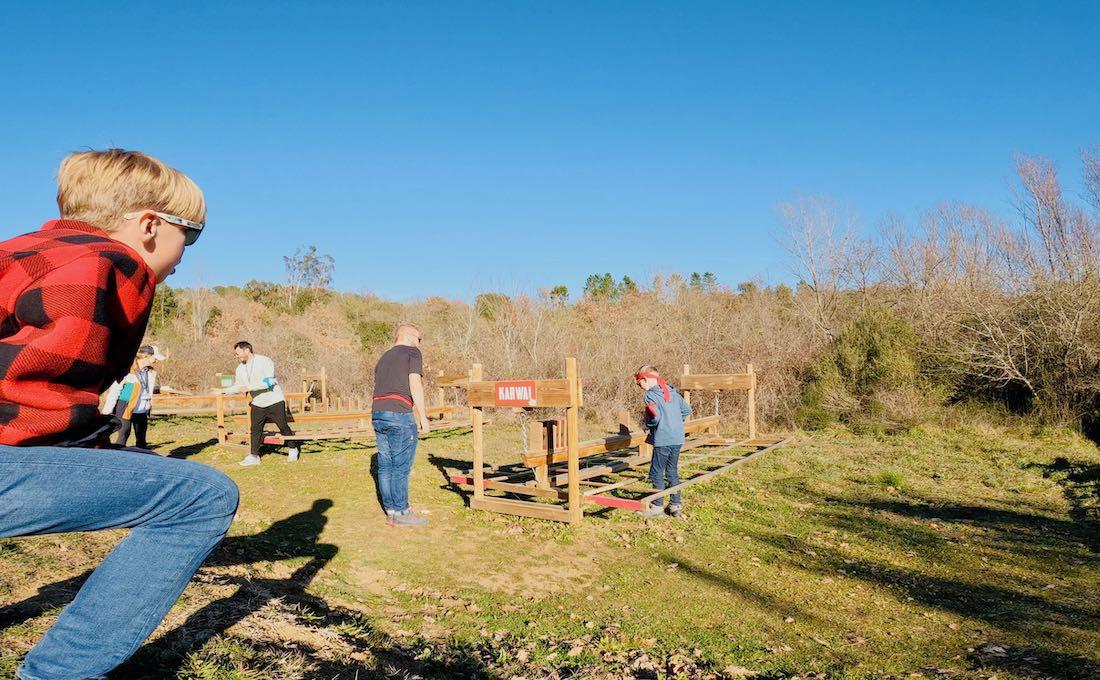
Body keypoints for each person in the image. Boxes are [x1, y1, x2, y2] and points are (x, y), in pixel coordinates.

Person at [0, 148, 239, 679]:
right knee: (203, 496)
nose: (183, 257)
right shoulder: (112, 263)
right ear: (150, 224)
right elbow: (46, 387)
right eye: (190, 236)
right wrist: (86, 444)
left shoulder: (17, 251)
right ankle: (62, 672)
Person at [371, 323, 431, 527]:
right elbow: (414, 383)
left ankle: (391, 511)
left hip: (378, 413)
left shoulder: (383, 358)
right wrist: (423, 416)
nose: (419, 342)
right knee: (401, 467)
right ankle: (402, 511)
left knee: (385, 465)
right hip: (399, 414)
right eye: (419, 338)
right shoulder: (412, 352)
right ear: (410, 336)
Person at [221, 341, 298, 466]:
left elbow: (268, 382)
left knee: (283, 426)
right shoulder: (240, 368)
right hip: (257, 403)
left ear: (247, 350)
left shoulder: (265, 361)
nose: (236, 356)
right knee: (255, 429)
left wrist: (249, 387)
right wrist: (224, 391)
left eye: (237, 353)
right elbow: (239, 385)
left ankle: (293, 449)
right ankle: (254, 456)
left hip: (274, 400)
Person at [635, 365, 692, 518]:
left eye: (639, 383)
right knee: (672, 471)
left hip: (663, 439)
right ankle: (675, 505)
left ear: (645, 379)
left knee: (656, 472)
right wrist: (674, 422)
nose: (639, 387)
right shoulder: (672, 391)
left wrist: (648, 424)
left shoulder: (650, 395)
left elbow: (655, 417)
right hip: (677, 438)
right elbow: (687, 410)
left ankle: (657, 506)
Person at [101, 345, 165, 448]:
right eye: (155, 358)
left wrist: (148, 406)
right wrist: (107, 411)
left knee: (141, 440)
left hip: (142, 410)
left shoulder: (151, 372)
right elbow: (115, 391)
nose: (156, 361)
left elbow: (147, 392)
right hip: (126, 407)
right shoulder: (128, 371)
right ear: (146, 356)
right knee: (123, 436)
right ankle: (117, 458)